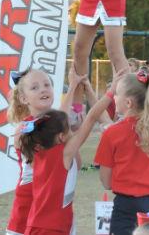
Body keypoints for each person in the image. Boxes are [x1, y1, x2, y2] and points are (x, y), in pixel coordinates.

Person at [18, 71, 121, 235]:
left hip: (37, 224)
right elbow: (92, 117)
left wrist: (74, 87)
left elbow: (63, 120)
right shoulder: (63, 153)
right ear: (61, 136)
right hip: (52, 228)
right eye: (68, 127)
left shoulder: (39, 151)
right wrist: (111, 91)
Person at [95, 71, 149, 235]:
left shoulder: (112, 134)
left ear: (128, 103)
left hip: (125, 207)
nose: (114, 97)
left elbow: (106, 182)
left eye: (116, 93)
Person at [6, 68, 82, 235]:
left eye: (47, 85)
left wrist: (74, 86)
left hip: (56, 209)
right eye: (35, 87)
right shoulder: (24, 129)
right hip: (28, 206)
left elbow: (77, 162)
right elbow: (56, 124)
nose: (43, 89)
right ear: (23, 98)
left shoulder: (57, 125)